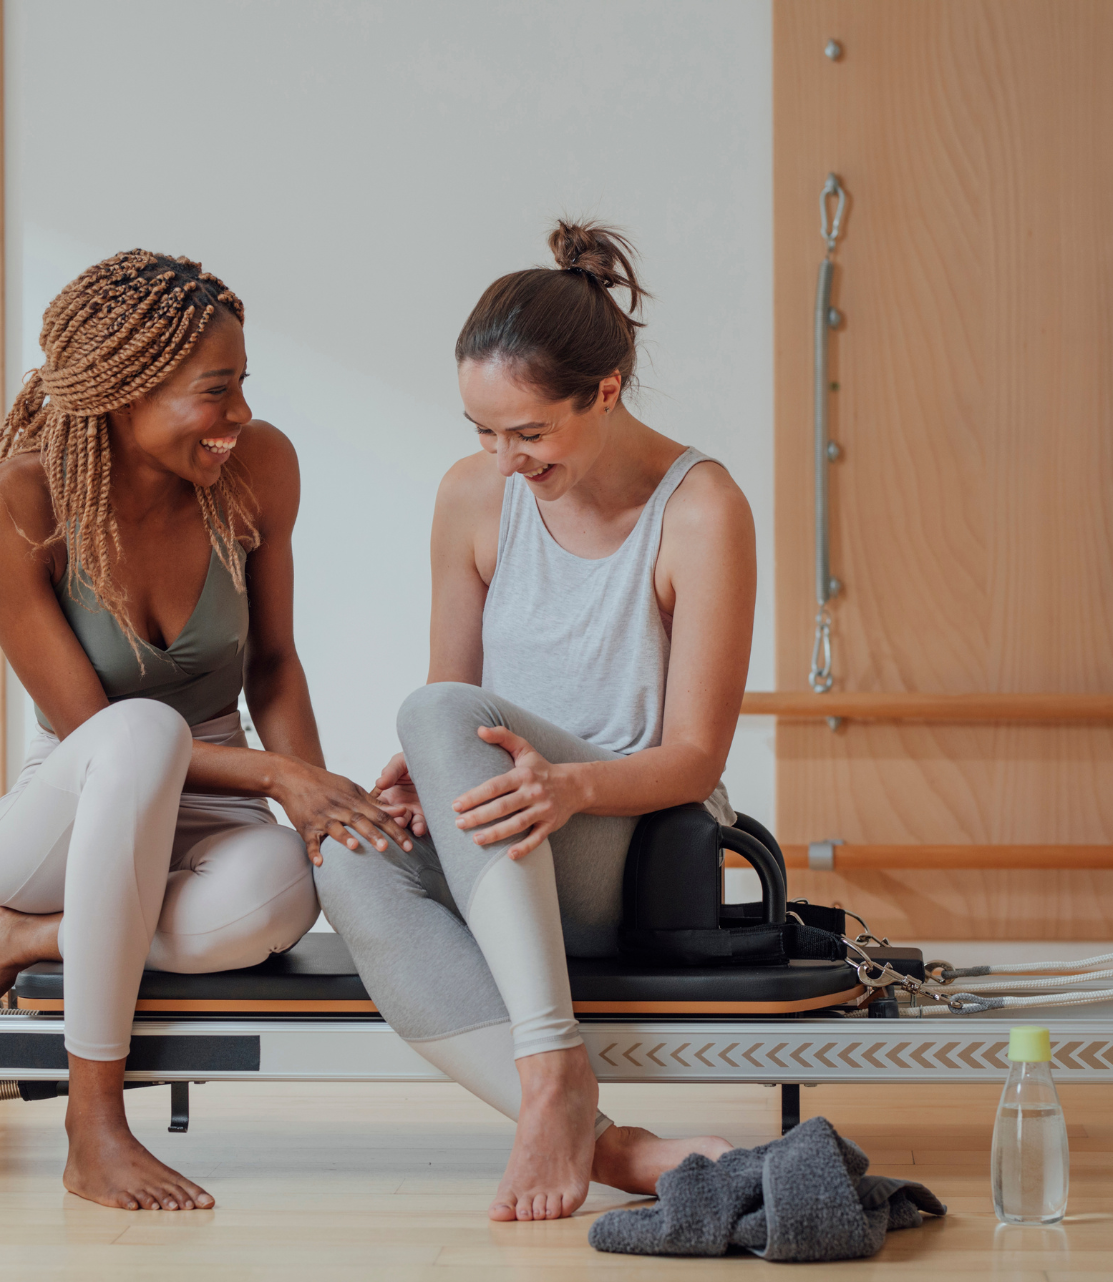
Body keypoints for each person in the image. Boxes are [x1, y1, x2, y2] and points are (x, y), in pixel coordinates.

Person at [0, 249, 413, 1213]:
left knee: (283, 897)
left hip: (210, 806)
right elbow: (94, 729)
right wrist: (275, 778)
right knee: (141, 732)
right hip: (68, 809)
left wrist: (315, 807)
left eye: (244, 386)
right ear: (123, 389)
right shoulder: (11, 505)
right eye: (214, 392)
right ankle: (92, 1128)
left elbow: (271, 664)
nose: (241, 418)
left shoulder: (258, 471)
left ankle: (28, 942)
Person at [314, 221, 758, 1222]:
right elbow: (453, 706)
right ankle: (595, 1128)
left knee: (439, 715)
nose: (504, 458)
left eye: (529, 432)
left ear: (604, 392)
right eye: (481, 429)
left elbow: (694, 757)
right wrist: (416, 780)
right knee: (343, 854)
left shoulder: (701, 510)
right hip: (503, 838)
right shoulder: (473, 497)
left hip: (616, 835)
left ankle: (555, 1064)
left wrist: (566, 786)